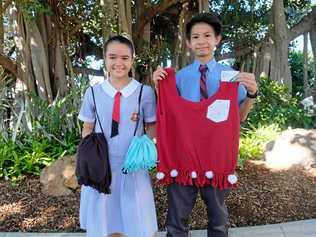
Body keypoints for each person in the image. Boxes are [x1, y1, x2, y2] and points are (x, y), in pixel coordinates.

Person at [152, 13, 258, 237]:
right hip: (183, 156)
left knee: (219, 219)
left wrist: (252, 94)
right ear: (189, 42)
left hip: (216, 154)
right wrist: (159, 86)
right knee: (176, 219)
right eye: (196, 36)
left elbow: (240, 117)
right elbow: (168, 116)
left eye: (207, 35)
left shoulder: (231, 77)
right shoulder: (178, 78)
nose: (202, 41)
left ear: (217, 39)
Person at [78, 35, 158, 237]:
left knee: (136, 218)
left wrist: (143, 147)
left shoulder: (144, 92)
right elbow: (87, 126)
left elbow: (152, 125)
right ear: (105, 59)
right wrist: (90, 155)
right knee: (106, 217)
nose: (118, 63)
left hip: (132, 166)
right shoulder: (93, 92)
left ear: (132, 59)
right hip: (102, 166)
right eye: (112, 57)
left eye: (124, 58)